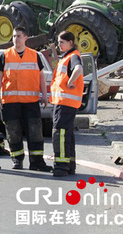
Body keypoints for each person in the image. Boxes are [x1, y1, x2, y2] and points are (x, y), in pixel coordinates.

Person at [0, 27, 51, 172]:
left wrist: (44, 95)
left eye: (19, 36)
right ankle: (17, 160)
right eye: (13, 36)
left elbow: (41, 77)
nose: (16, 39)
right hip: (10, 102)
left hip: (31, 101)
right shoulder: (5, 55)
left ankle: (37, 162)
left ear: (26, 37)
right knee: (13, 132)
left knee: (35, 132)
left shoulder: (34, 55)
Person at [50, 31, 84, 177]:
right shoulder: (67, 57)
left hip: (65, 103)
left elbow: (79, 69)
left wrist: (71, 81)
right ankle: (69, 165)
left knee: (60, 133)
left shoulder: (73, 56)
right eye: (58, 42)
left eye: (61, 42)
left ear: (70, 42)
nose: (59, 45)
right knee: (67, 133)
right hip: (66, 102)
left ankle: (61, 166)